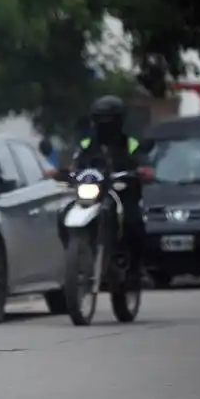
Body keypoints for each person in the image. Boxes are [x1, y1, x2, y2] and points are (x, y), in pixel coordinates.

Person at [44, 95, 155, 279]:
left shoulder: (129, 144)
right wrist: (60, 173)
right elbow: (76, 165)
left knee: (133, 221)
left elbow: (143, 161)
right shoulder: (87, 144)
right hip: (94, 193)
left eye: (109, 119)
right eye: (101, 118)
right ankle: (76, 252)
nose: (105, 124)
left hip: (122, 192)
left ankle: (135, 269)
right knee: (64, 212)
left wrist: (144, 170)